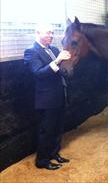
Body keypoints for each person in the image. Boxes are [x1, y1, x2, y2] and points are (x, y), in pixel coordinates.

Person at [24, 23, 71, 170]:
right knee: (46, 130)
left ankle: (54, 153)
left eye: (52, 33)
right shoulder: (31, 52)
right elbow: (38, 73)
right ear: (38, 33)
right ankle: (42, 161)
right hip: (47, 98)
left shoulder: (54, 49)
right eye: (47, 33)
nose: (51, 36)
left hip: (59, 95)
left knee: (58, 128)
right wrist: (57, 60)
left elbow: (61, 70)